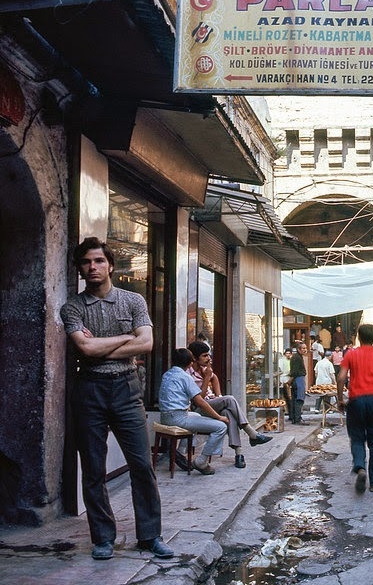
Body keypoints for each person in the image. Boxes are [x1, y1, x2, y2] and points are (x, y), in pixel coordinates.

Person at [60, 237, 173, 560]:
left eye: (98, 261)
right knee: (93, 468)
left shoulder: (133, 301)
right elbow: (85, 349)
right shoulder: (72, 307)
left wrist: (106, 344)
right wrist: (127, 337)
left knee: (141, 464)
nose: (92, 267)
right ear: (79, 269)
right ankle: (102, 538)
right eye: (86, 262)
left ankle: (150, 535)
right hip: (89, 389)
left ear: (110, 265)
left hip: (126, 387)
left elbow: (147, 344)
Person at [187, 341, 272, 469]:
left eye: (208, 355)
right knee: (230, 399)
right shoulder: (188, 373)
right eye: (205, 356)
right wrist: (206, 378)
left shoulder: (204, 369)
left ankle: (239, 454)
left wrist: (218, 396)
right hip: (198, 409)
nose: (208, 358)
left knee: (228, 413)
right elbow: (198, 398)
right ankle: (251, 433)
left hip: (211, 403)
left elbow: (214, 378)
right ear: (194, 357)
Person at [337, 323, 373, 493]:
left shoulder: (351, 355)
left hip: (356, 400)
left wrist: (340, 399)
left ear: (359, 337)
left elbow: (341, 378)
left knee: (357, 437)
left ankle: (360, 467)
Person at [159, 348, 228, 475]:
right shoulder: (185, 377)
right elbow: (200, 401)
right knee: (221, 427)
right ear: (190, 363)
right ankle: (201, 461)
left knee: (196, 415)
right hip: (178, 417)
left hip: (165, 416)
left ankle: (180, 452)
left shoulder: (167, 374)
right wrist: (219, 417)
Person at [289, 342, 309, 425]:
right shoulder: (296, 358)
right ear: (298, 349)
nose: (305, 350)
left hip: (298, 379)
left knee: (295, 399)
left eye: (305, 348)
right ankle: (297, 418)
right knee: (299, 399)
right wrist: (291, 380)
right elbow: (295, 371)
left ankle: (294, 418)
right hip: (298, 380)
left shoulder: (298, 357)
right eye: (303, 348)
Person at [314, 348, 337, 412]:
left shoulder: (319, 362)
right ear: (329, 356)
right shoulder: (329, 364)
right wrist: (335, 383)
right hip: (327, 381)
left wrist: (317, 379)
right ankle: (327, 409)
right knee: (327, 396)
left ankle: (317, 409)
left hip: (319, 380)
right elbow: (332, 374)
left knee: (319, 395)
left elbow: (316, 372)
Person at [278, 348, 293, 419]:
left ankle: (289, 411)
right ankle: (285, 409)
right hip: (283, 378)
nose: (288, 355)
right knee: (283, 395)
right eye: (287, 353)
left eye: (289, 353)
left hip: (288, 378)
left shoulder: (292, 360)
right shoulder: (281, 361)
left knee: (288, 396)